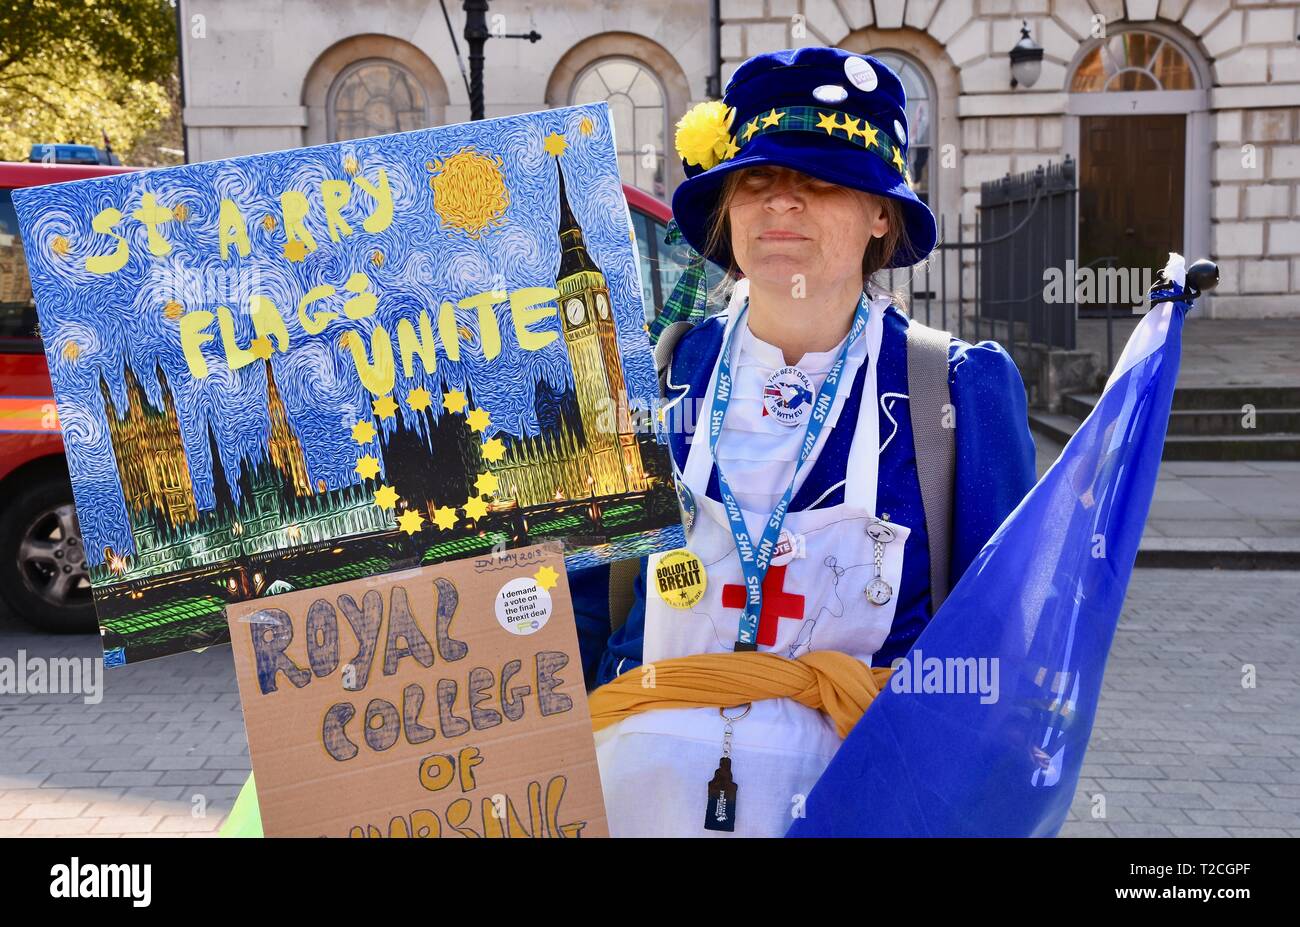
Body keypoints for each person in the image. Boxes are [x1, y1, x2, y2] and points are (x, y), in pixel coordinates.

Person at [568, 46, 1037, 837]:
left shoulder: (957, 391)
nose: (781, 203)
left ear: (882, 214)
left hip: (860, 807)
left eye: (819, 181)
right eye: (755, 181)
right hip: (629, 803)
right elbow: (577, 616)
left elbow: (997, 648)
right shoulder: (644, 378)